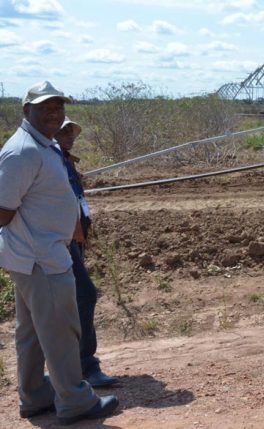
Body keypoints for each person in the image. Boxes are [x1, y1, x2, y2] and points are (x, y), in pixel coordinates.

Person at [0, 81, 119, 425]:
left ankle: (36, 396)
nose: (54, 114)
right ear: (26, 111)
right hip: (42, 259)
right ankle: (75, 401)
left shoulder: (42, 144)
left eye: (58, 108)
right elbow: (3, 210)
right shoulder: (23, 151)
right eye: (45, 108)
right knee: (62, 333)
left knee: (33, 333)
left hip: (32, 256)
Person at [54, 117, 119, 388]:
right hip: (62, 240)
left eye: (71, 131)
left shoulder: (66, 160)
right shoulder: (52, 161)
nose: (70, 135)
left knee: (74, 298)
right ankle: (85, 365)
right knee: (85, 295)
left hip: (75, 240)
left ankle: (70, 366)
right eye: (64, 131)